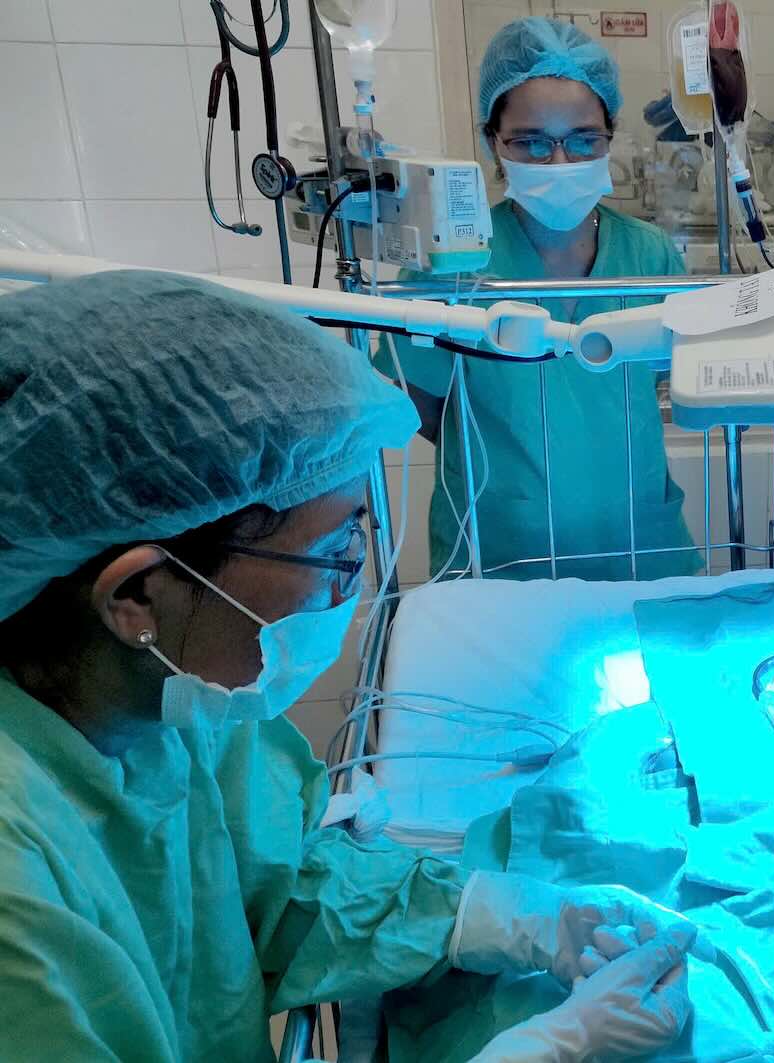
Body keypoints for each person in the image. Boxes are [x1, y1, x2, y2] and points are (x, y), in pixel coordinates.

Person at [0, 270, 708, 1061]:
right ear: (136, 596)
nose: (351, 581)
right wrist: (549, 1045)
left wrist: (514, 917)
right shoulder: (17, 895)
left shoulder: (165, 712)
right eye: (334, 549)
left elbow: (280, 883)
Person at [376, 16, 697, 582]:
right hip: (500, 554)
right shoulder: (452, 265)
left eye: (582, 141)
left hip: (638, 544)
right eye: (530, 142)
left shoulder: (647, 256)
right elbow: (420, 406)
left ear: (608, 137)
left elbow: (649, 387)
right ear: (492, 145)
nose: (559, 163)